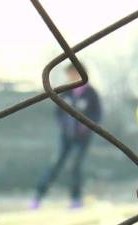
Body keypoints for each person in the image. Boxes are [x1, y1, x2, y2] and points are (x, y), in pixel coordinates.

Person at [30, 63, 101, 210]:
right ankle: (38, 196)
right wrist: (64, 125)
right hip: (66, 137)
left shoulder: (91, 93)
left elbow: (97, 114)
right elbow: (58, 113)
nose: (71, 76)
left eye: (74, 73)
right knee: (56, 164)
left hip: (83, 138)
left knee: (75, 165)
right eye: (69, 74)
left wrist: (87, 125)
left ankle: (76, 200)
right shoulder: (66, 92)